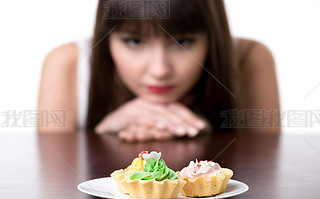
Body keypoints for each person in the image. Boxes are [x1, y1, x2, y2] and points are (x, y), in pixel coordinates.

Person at [37, 0, 281, 142]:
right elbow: (54, 179)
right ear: (106, 37)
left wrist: (198, 133)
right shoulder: (67, 63)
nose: (160, 70)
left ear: (212, 37)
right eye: (134, 42)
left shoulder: (249, 59)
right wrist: (105, 131)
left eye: (182, 42)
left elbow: (267, 164)